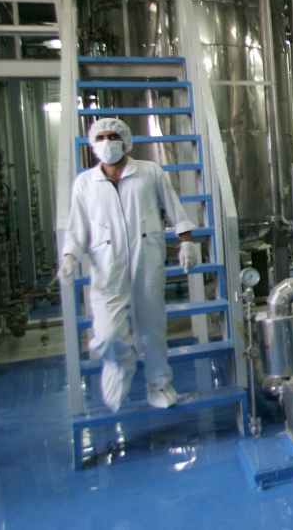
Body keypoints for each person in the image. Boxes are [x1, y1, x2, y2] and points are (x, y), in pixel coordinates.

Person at [59, 118, 200, 412]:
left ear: (125, 141)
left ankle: (159, 384)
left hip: (145, 260)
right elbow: (77, 227)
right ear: (93, 144)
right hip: (105, 267)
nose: (107, 142)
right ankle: (120, 365)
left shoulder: (149, 172)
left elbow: (173, 207)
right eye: (101, 137)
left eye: (113, 136)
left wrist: (186, 240)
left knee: (152, 328)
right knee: (109, 333)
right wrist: (70, 256)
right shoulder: (85, 183)